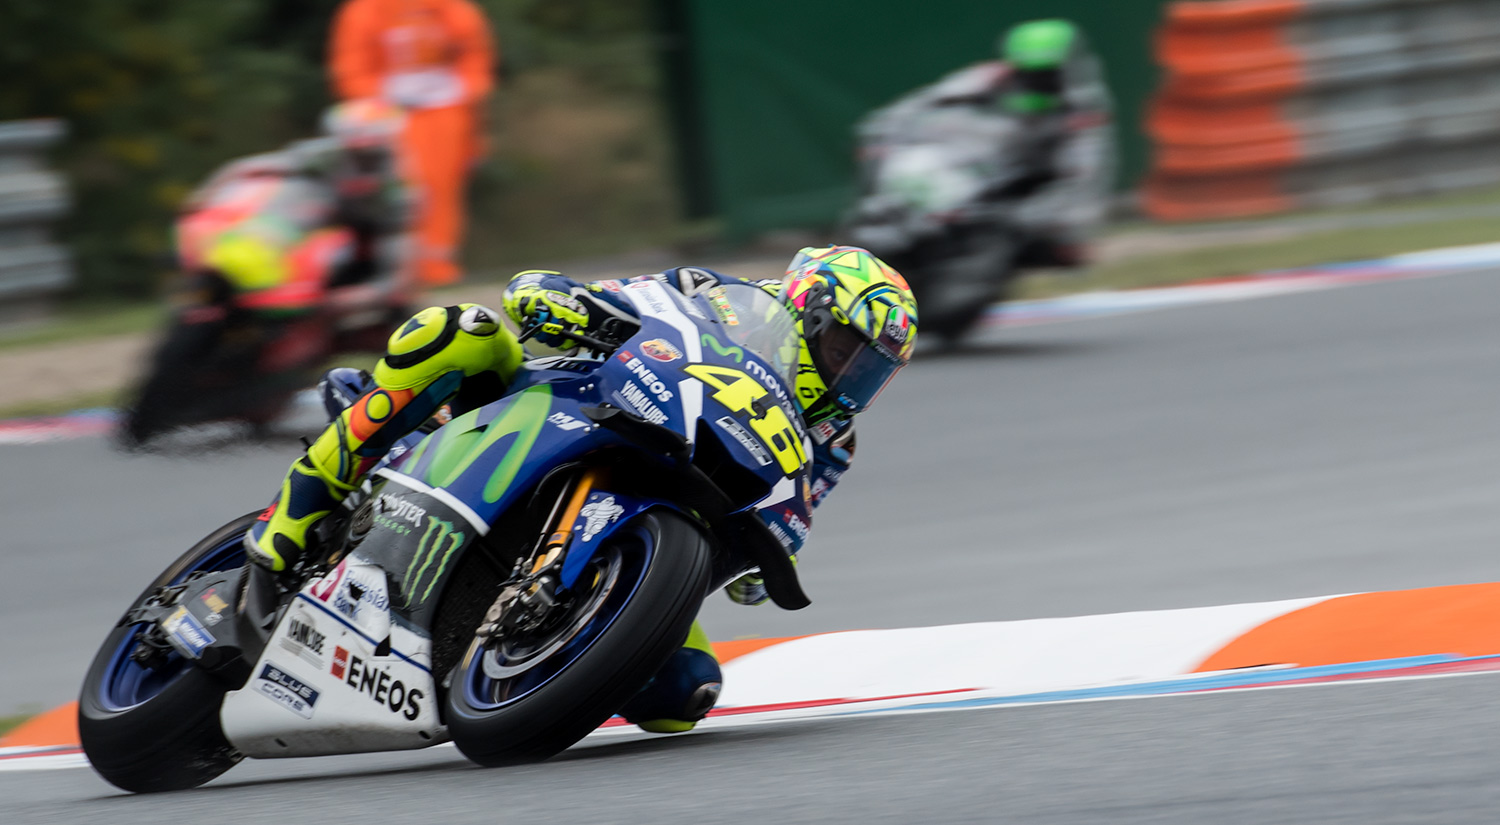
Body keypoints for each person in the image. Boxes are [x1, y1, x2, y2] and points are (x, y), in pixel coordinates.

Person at [243, 245, 919, 732]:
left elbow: (792, 515)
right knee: (460, 331)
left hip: (653, 506)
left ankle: (527, 660)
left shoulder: (833, 441)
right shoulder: (712, 294)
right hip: (562, 402)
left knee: (686, 692)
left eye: (871, 371)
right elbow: (615, 297)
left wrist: (768, 558)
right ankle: (292, 517)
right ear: (808, 311)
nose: (851, 378)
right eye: (845, 351)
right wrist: (564, 301)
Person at [857, 18, 1114, 267]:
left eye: (1047, 75)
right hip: (962, 176)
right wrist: (882, 140)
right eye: (1031, 73)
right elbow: (914, 107)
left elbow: (1085, 175)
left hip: (1016, 199)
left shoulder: (1082, 113)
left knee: (1053, 243)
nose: (1039, 82)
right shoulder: (984, 81)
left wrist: (1067, 227)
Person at [177, 99, 415, 307]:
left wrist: (363, 296)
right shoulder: (321, 157)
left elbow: (399, 262)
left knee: (391, 282)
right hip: (318, 229)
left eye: (369, 155)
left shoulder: (399, 189)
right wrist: (203, 197)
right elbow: (246, 167)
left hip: (365, 243)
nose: (359, 164)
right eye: (353, 152)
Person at [329, 0, 498, 287]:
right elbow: (351, 68)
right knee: (396, 189)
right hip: (386, 113)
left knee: (441, 188)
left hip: (445, 109)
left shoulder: (450, 8)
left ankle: (435, 266)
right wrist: (378, 96)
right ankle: (392, 268)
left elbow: (475, 54)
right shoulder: (365, 11)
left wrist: (464, 88)